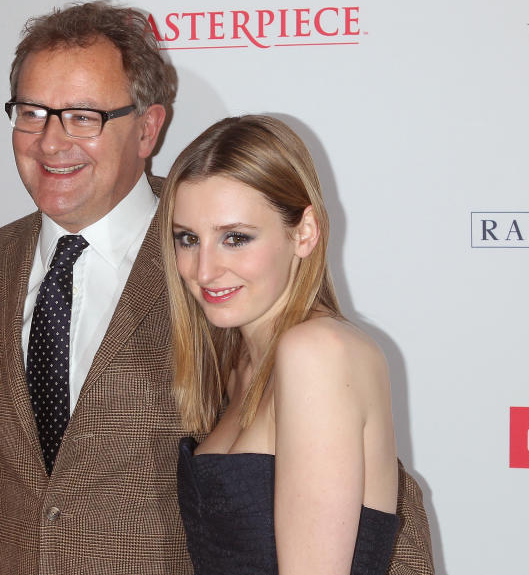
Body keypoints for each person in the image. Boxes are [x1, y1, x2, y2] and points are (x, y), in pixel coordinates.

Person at [0, 2, 434, 575]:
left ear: (149, 127)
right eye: (32, 112)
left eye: (84, 116)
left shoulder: (233, 292)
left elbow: (378, 513)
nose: (53, 141)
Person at [163, 115, 405, 575]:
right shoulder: (238, 363)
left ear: (304, 232)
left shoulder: (317, 352)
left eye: (236, 238)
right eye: (188, 239)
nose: (204, 270)